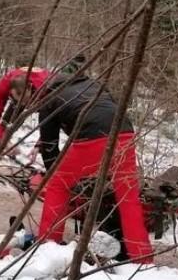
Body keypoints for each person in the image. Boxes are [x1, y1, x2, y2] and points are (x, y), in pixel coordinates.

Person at [9, 72, 154, 262]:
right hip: (124, 133)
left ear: (29, 89)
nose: (23, 105)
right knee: (128, 198)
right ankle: (142, 258)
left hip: (92, 138)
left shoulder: (49, 99)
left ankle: (47, 246)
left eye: (20, 99)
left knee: (57, 185)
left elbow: (49, 146)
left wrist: (53, 173)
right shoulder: (90, 84)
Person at [0, 65, 51, 144]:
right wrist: (1, 139)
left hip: (40, 95)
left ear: (30, 87)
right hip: (20, 96)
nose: (23, 104)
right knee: (6, 128)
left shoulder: (45, 88)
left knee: (48, 140)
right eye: (20, 100)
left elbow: (53, 119)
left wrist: (40, 144)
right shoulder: (4, 86)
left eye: (24, 99)